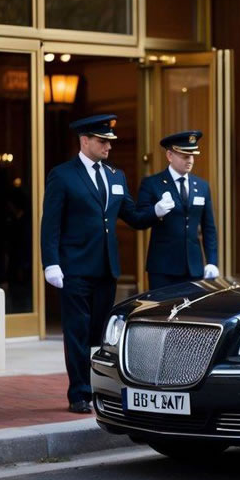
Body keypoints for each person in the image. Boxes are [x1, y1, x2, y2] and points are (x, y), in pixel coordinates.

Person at [41, 114, 175, 413]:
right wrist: (50, 263)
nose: (108, 146)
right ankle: (79, 393)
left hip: (105, 268)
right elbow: (50, 224)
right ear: (84, 140)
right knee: (76, 331)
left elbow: (133, 216)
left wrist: (156, 210)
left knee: (99, 332)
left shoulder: (116, 176)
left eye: (110, 142)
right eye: (102, 141)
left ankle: (98, 384)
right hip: (74, 267)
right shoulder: (63, 175)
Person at [137, 131, 219, 290]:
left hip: (194, 268)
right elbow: (139, 219)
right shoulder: (152, 184)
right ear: (169, 155)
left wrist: (212, 262)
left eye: (192, 156)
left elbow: (209, 228)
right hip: (163, 269)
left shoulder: (202, 186)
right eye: (185, 156)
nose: (190, 160)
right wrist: (155, 212)